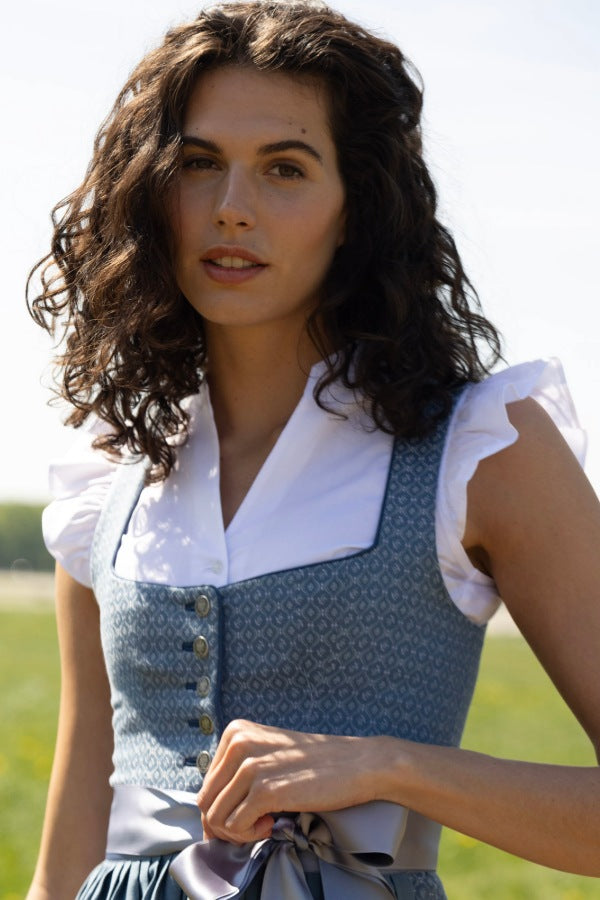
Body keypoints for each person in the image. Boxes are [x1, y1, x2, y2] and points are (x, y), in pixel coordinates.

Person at [26, 1, 600, 898]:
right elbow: (69, 847)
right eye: (198, 164)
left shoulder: (484, 447)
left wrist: (386, 768)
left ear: (356, 206)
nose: (232, 209)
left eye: (285, 169)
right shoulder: (113, 478)